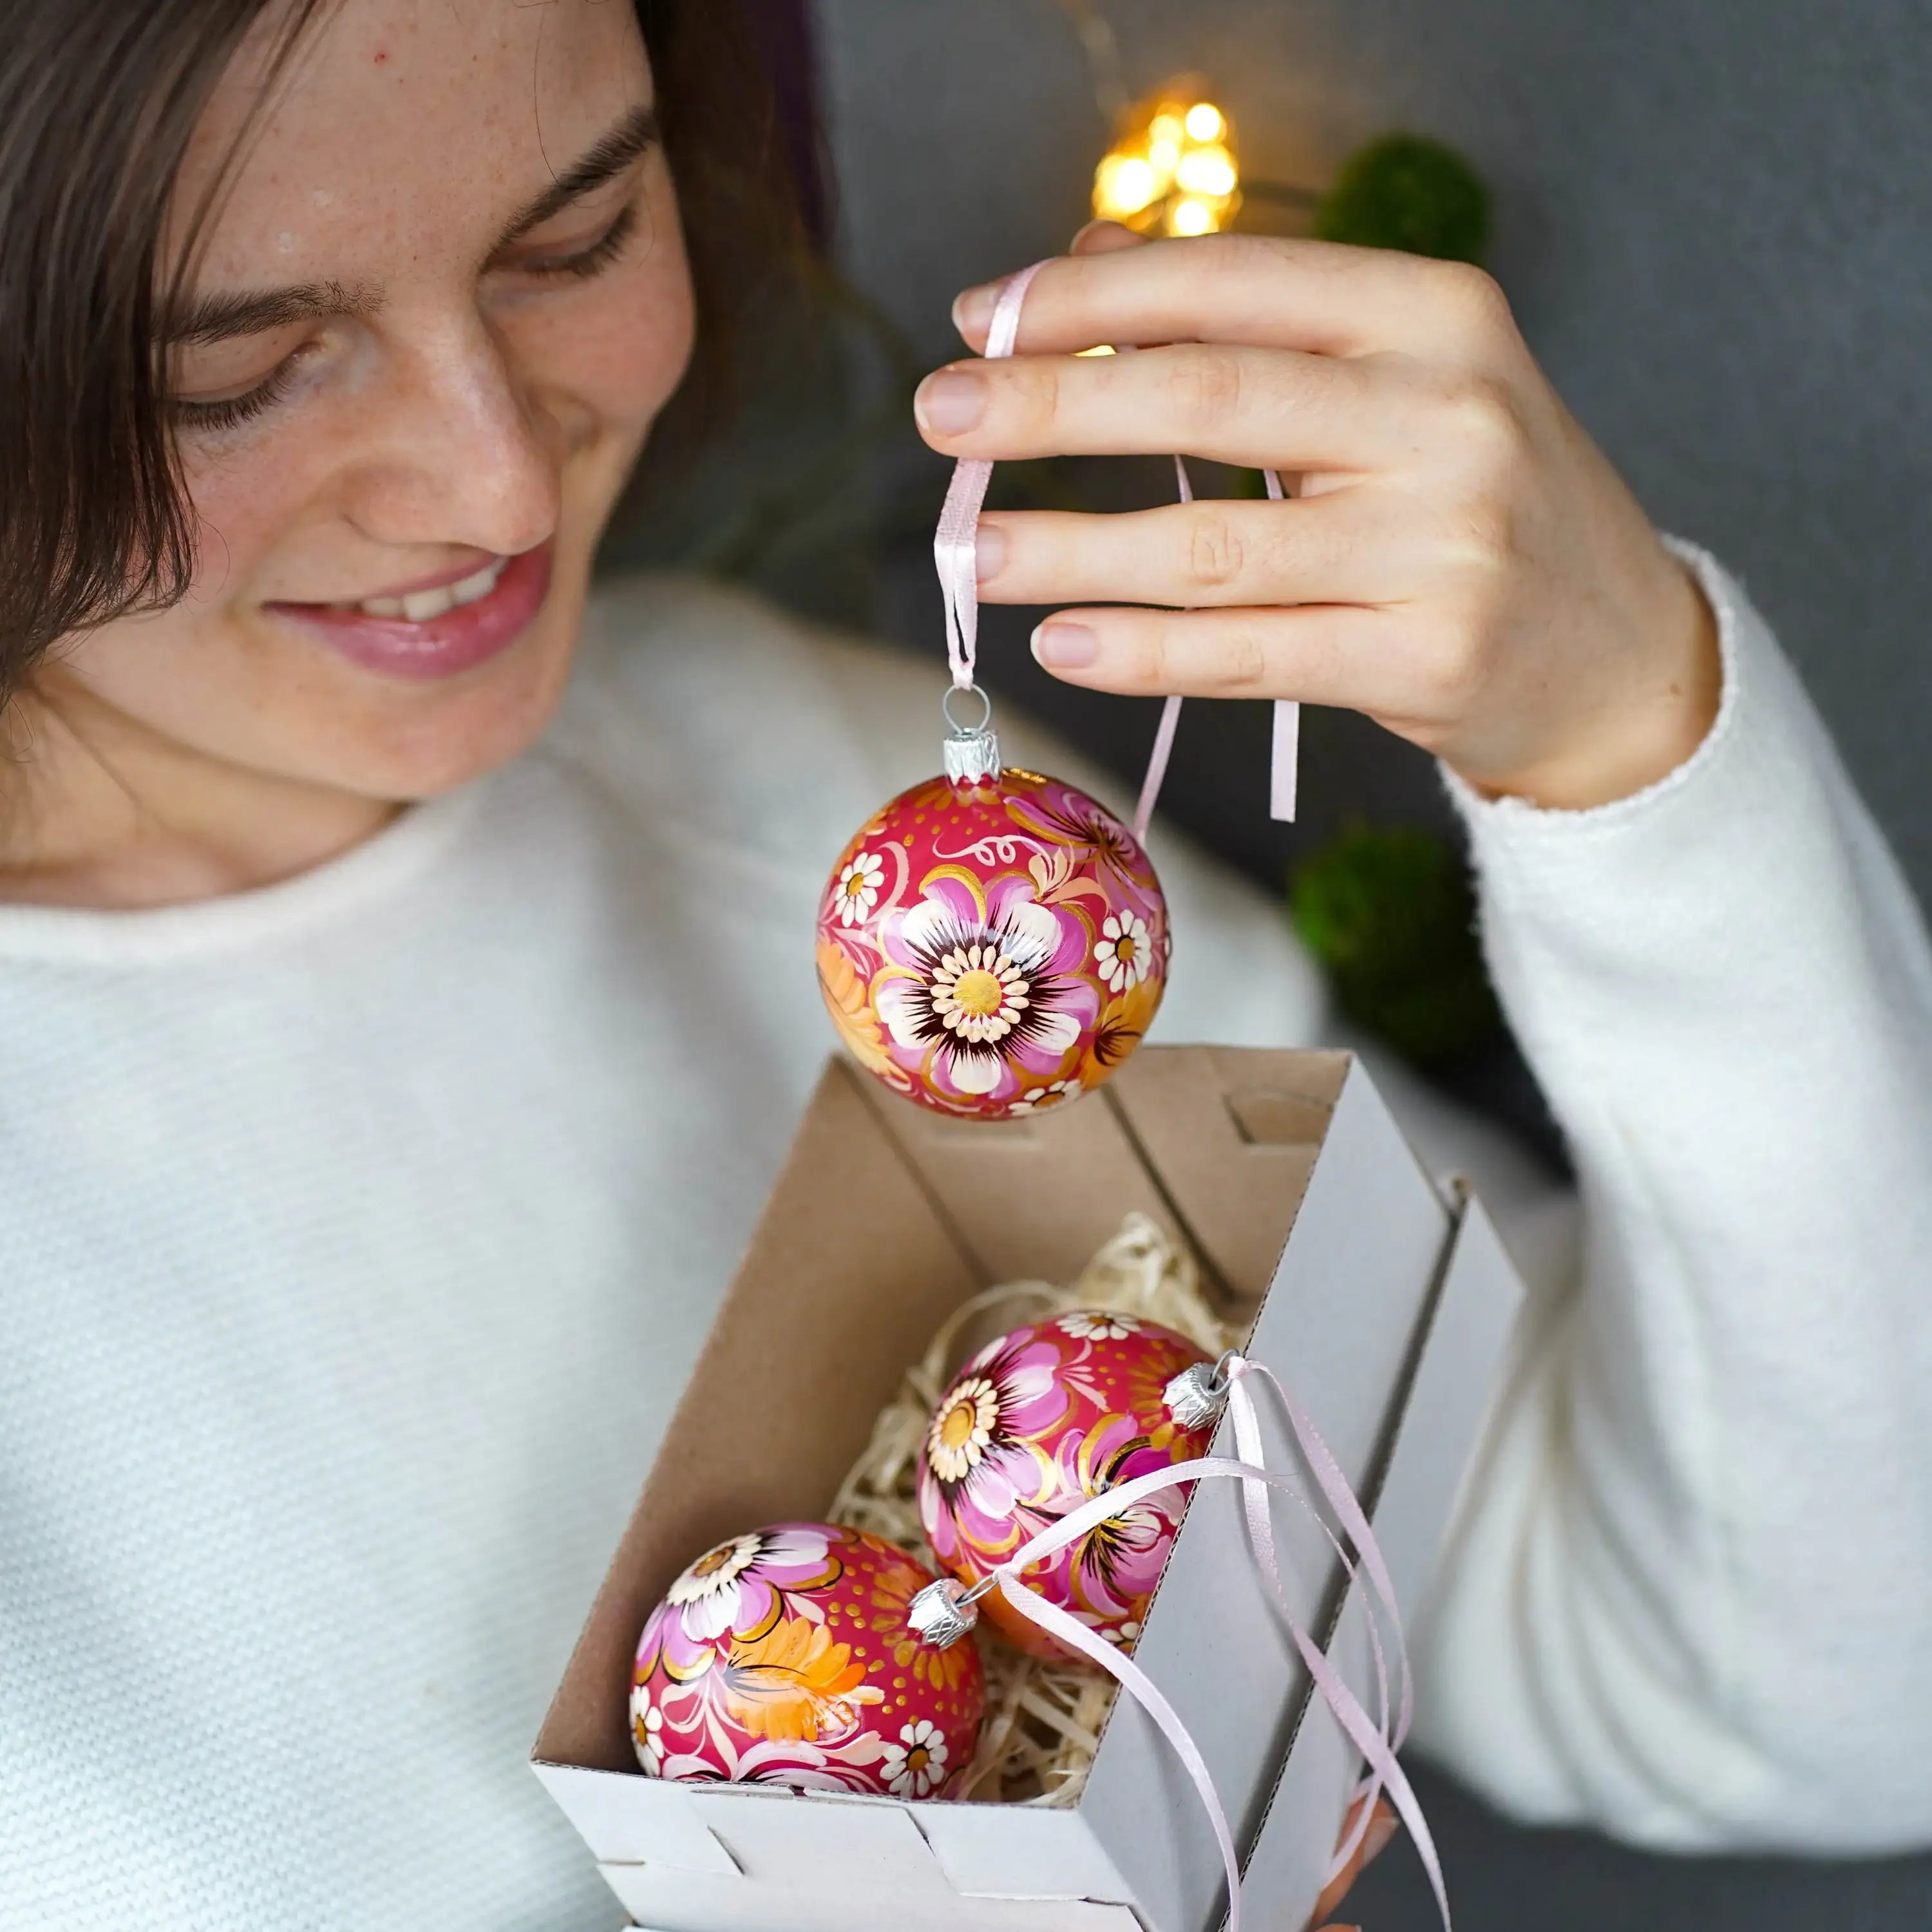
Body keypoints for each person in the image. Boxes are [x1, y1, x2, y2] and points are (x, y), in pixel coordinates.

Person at [1, 3, 1927, 1929]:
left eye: (571, 241)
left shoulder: (860, 844)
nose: (496, 486)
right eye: (233, 378)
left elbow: (1810, 1691)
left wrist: (1630, 746)